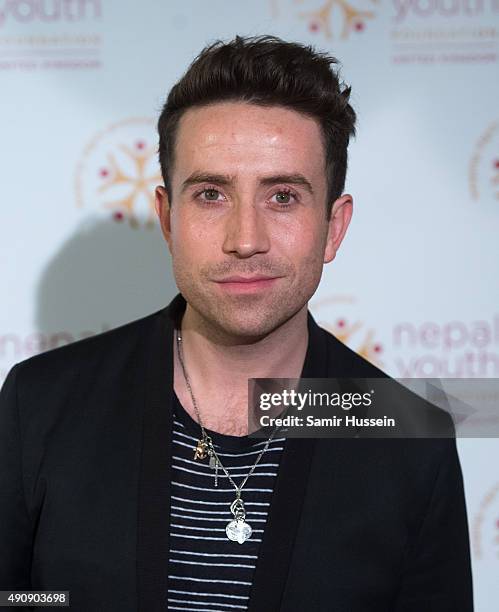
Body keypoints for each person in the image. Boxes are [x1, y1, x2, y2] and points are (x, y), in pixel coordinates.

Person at [0, 35, 473, 611]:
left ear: (334, 226)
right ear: (168, 219)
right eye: (210, 194)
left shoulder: (407, 434)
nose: (245, 240)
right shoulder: (41, 404)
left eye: (282, 197)